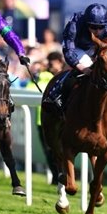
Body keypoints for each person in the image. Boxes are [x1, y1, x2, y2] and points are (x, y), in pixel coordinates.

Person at [44, 3, 107, 111]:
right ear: (86, 23)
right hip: (75, 46)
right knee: (86, 67)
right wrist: (80, 67)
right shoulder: (75, 24)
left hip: (95, 47)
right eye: (93, 27)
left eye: (101, 27)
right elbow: (69, 50)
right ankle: (57, 92)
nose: (97, 31)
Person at [26, 51, 65, 185]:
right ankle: (56, 177)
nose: (50, 66)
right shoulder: (44, 76)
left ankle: (63, 175)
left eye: (52, 63)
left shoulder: (68, 76)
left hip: (63, 120)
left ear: (60, 63)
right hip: (44, 120)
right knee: (50, 151)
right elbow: (31, 89)